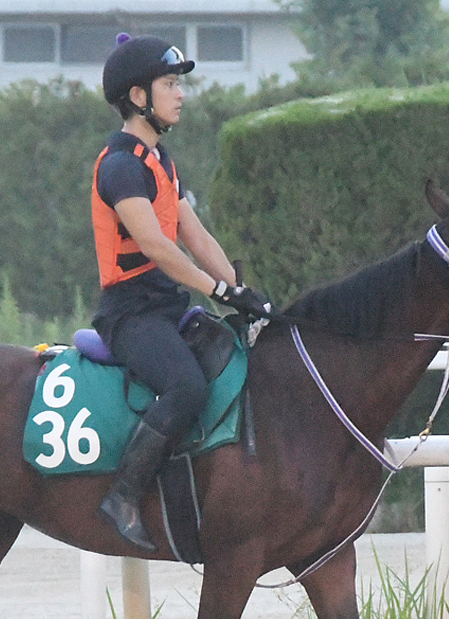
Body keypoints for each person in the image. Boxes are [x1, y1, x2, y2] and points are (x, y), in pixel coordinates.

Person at [92, 33, 270, 552]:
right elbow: (156, 247)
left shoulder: (161, 162)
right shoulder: (119, 164)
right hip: (131, 317)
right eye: (170, 84)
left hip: (169, 309)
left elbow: (197, 237)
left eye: (178, 84)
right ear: (138, 96)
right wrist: (217, 288)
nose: (181, 93)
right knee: (187, 388)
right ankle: (121, 497)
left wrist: (243, 292)